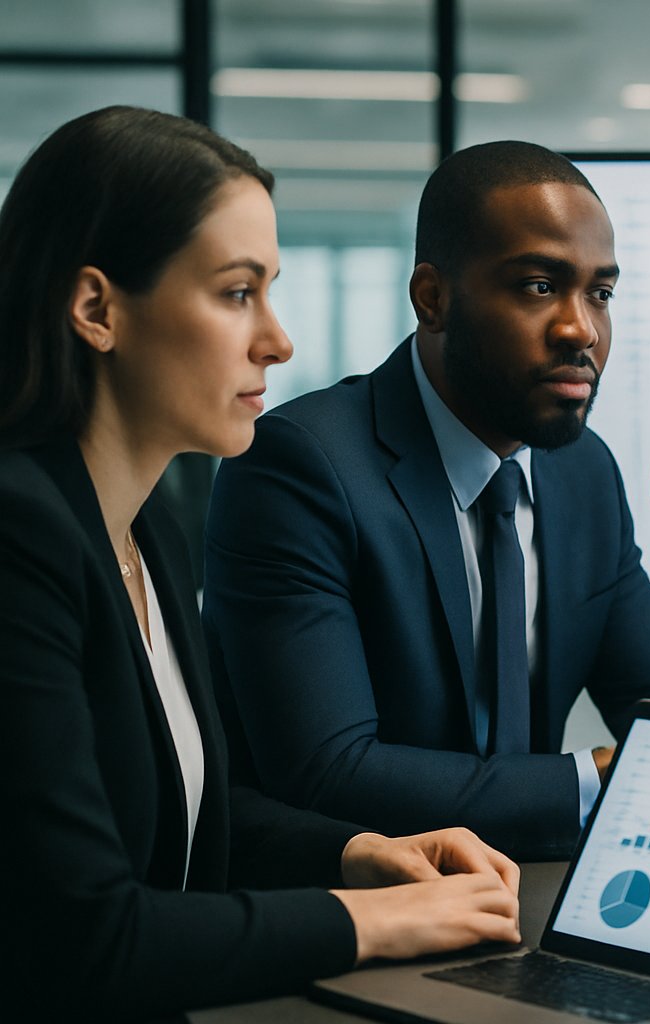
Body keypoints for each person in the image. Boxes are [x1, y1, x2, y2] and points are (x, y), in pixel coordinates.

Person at [0, 107, 524, 1021]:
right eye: (238, 292)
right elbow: (87, 936)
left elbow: (182, 817)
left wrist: (357, 854)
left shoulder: (148, 531)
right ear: (97, 310)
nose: (277, 341)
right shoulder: (18, 538)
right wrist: (375, 922)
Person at [202, 141, 650, 861]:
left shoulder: (583, 473)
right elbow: (327, 771)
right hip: (354, 903)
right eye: (539, 286)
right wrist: (597, 780)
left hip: (531, 892)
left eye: (600, 293)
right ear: (433, 298)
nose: (582, 329)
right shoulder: (301, 465)